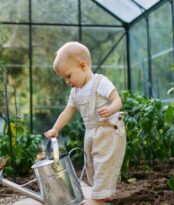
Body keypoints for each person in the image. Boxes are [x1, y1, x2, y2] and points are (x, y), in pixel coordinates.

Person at [44, 41, 126, 205]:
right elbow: (67, 112)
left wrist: (110, 109)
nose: (67, 81)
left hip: (108, 130)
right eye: (64, 78)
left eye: (68, 76)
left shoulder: (100, 82)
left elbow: (117, 100)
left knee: (104, 164)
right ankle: (102, 194)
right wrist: (55, 128)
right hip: (92, 132)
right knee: (92, 164)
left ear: (83, 66)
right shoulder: (75, 92)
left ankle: (99, 198)